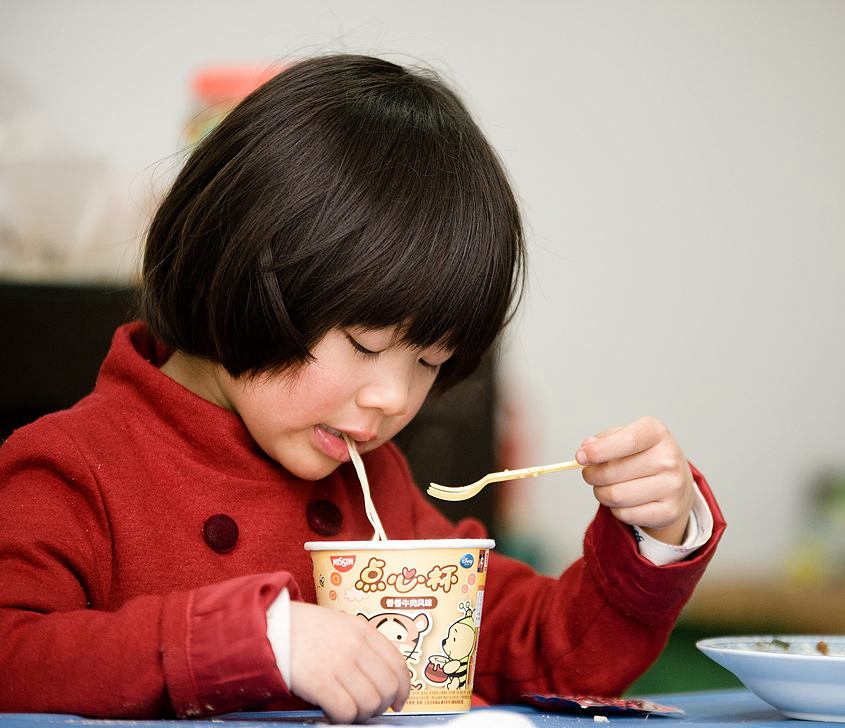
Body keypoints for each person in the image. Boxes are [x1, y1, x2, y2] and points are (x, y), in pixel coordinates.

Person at [0, 54, 725, 723]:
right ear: (240, 267)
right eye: (365, 344)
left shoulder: (375, 485)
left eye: (429, 362)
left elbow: (543, 655)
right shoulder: (73, 467)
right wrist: (255, 641)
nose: (393, 400)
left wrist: (657, 531)